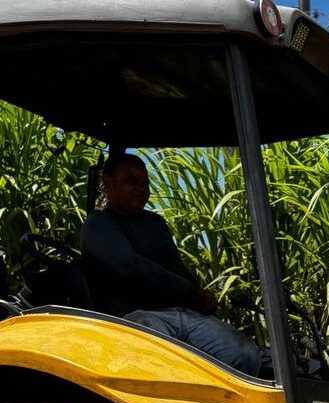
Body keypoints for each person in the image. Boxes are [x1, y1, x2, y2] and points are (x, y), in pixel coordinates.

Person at [81, 153, 269, 377]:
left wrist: (199, 294)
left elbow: (174, 267)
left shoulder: (155, 223)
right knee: (166, 359)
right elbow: (132, 266)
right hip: (136, 314)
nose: (141, 189)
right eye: (131, 182)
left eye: (145, 183)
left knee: (244, 355)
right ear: (108, 182)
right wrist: (189, 291)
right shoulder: (99, 223)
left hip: (183, 312)